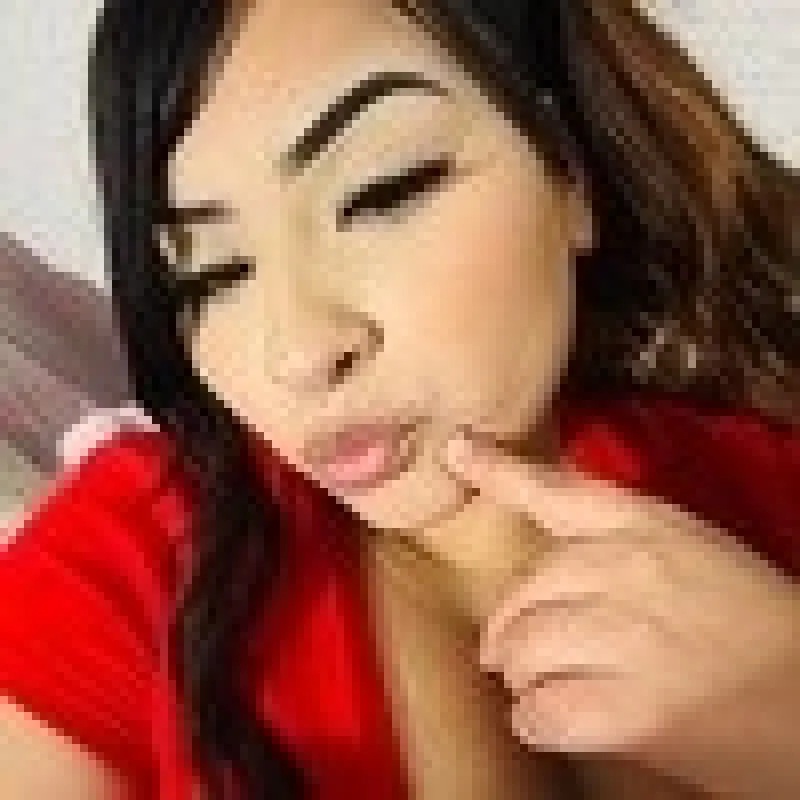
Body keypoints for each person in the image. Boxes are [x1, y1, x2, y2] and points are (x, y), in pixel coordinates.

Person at [1, 1, 798, 799]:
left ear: (567, 172)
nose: (300, 352)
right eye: (213, 273)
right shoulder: (129, 566)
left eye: (382, 193)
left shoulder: (767, 493)